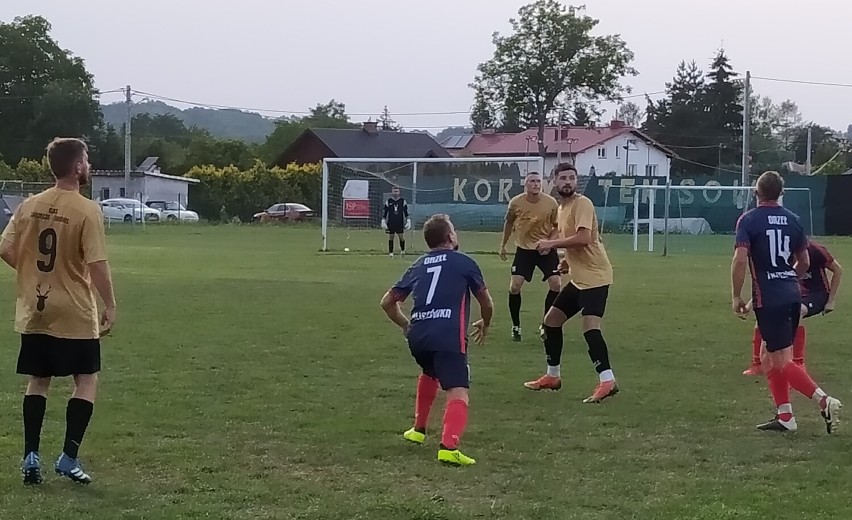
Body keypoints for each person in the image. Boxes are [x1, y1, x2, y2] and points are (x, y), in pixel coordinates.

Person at [0, 138, 117, 485]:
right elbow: (96, 263)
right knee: (86, 378)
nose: (90, 165)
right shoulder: (87, 209)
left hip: (36, 306)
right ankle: (68, 456)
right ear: (78, 166)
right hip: (73, 310)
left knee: (39, 379)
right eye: (87, 160)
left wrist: (31, 273)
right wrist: (109, 304)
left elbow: (5, 248)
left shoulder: (29, 204)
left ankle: (30, 456)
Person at [731, 170, 841, 433]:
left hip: (769, 298)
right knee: (768, 355)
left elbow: (740, 260)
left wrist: (736, 295)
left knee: (778, 359)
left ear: (756, 193)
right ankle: (785, 417)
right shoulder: (794, 220)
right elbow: (803, 262)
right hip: (793, 293)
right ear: (781, 193)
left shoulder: (748, 220)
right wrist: (788, 279)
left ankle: (824, 401)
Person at [380, 214, 493, 466]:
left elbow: (387, 302)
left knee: (429, 372)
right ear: (450, 237)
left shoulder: (418, 264)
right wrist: (485, 322)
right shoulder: (465, 263)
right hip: (447, 335)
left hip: (418, 335)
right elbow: (486, 301)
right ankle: (449, 446)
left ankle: (418, 430)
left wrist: (406, 325)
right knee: (458, 390)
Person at [525, 163, 619, 403]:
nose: (568, 182)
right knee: (551, 321)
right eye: (563, 178)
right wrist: (566, 261)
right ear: (554, 182)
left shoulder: (582, 203)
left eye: (572, 178)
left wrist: (550, 244)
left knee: (590, 329)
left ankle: (607, 381)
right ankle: (552, 376)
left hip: (596, 277)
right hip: (579, 279)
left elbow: (585, 238)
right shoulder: (561, 208)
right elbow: (575, 240)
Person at [742, 239, 842, 375]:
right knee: (764, 316)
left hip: (816, 294)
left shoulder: (815, 250)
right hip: (792, 293)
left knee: (797, 311)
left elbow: (838, 270)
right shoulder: (780, 254)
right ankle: (757, 364)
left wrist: (831, 301)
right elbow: (773, 283)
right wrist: (750, 304)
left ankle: (798, 362)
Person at [499, 172, 561, 342]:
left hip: (545, 249)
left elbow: (557, 226)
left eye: (538, 181)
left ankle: (546, 325)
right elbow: (509, 223)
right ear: (525, 184)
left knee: (556, 284)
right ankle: (516, 326)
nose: (536, 184)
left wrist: (549, 242)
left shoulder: (551, 203)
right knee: (514, 287)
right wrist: (503, 245)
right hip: (524, 250)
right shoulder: (516, 203)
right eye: (532, 181)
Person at [381, 186, 410, 257]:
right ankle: (391, 252)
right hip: (391, 222)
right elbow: (385, 212)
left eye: (397, 191)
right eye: (394, 191)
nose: (395, 193)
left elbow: (405, 212)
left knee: (401, 237)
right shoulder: (389, 201)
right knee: (391, 237)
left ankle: (403, 250)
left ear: (399, 192)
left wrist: (408, 220)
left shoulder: (403, 201)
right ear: (392, 192)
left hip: (399, 222)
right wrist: (383, 220)